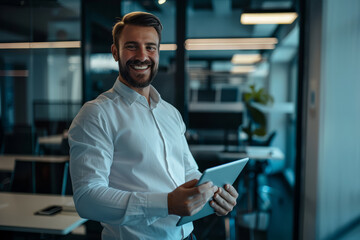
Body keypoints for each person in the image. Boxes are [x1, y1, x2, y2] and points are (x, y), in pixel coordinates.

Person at [69, 11, 239, 240]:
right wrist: (167, 203)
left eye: (150, 47)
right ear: (115, 52)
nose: (142, 56)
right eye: (131, 46)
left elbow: (187, 170)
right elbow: (87, 199)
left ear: (158, 53)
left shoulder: (170, 113)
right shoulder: (96, 114)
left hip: (187, 236)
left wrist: (215, 193)